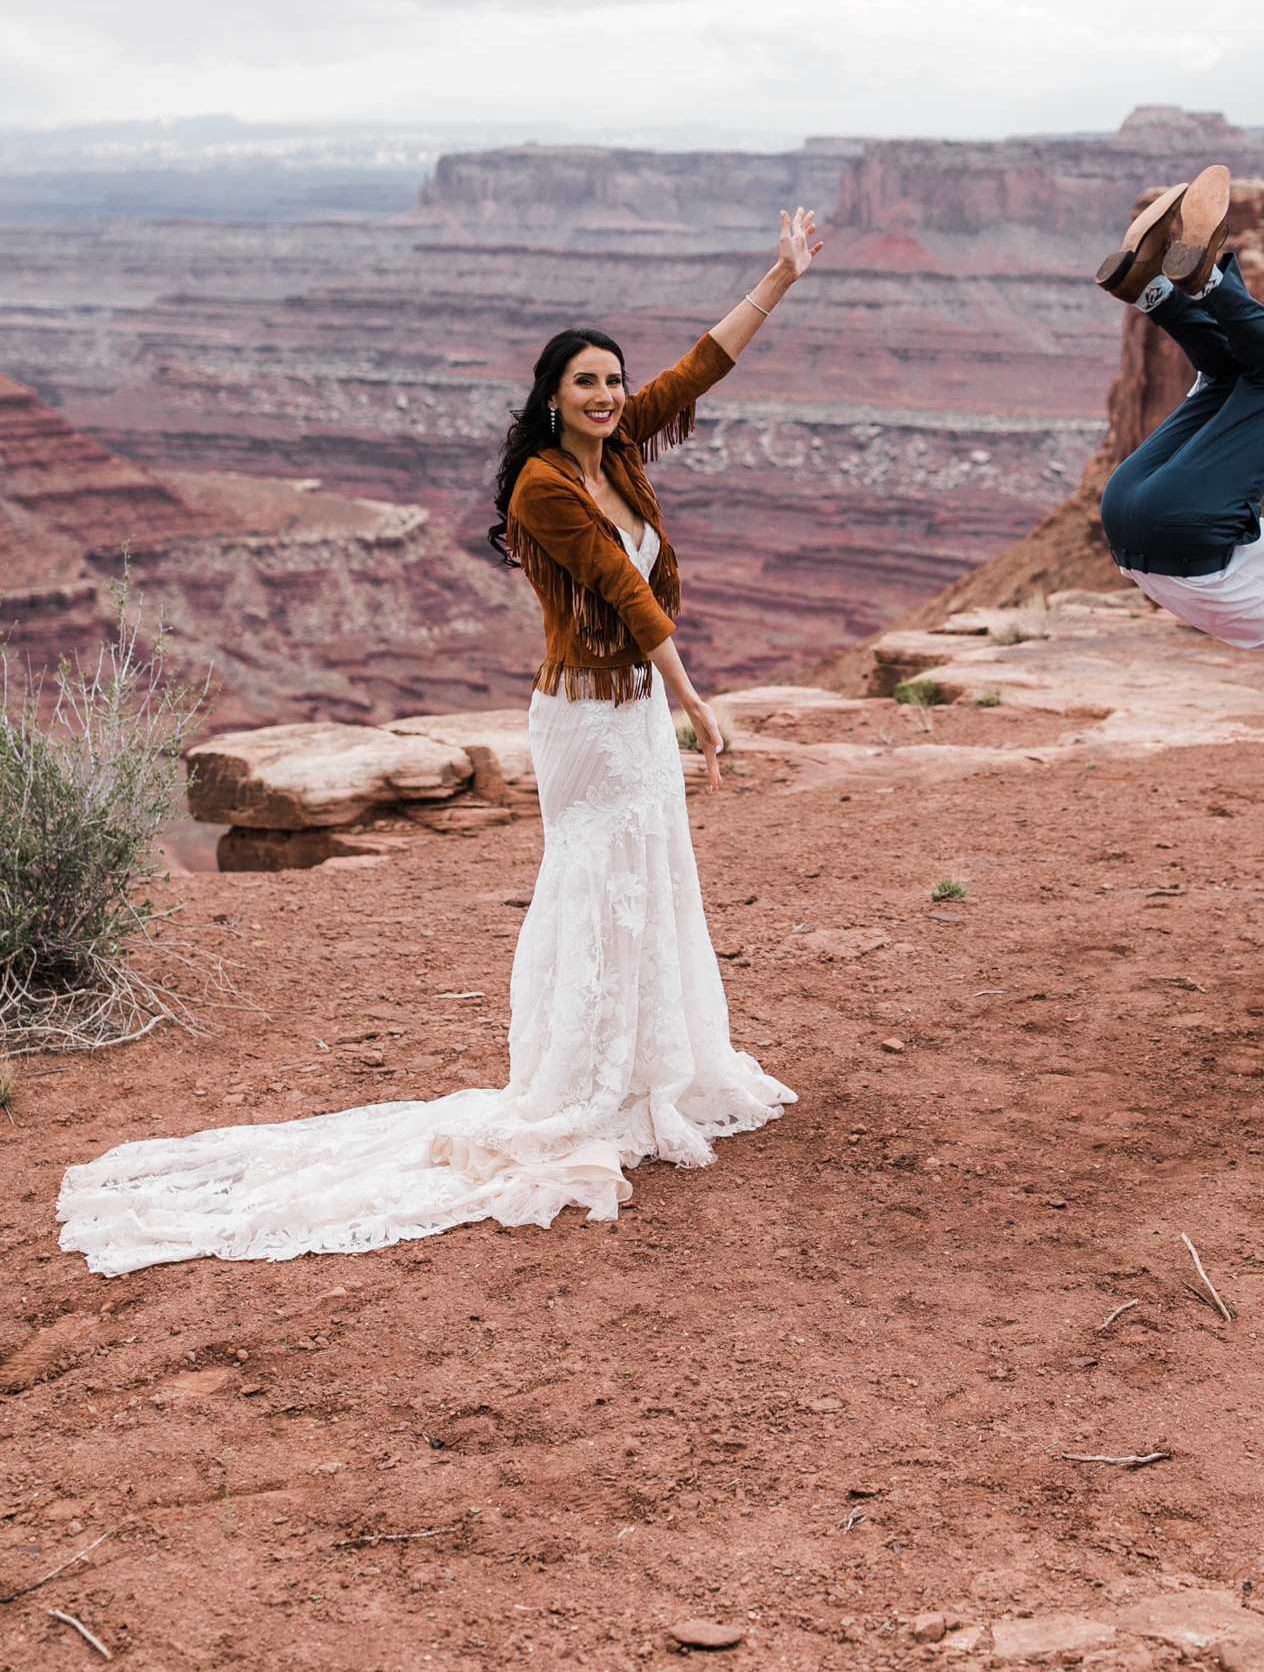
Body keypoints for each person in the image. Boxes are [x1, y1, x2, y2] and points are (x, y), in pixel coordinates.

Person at [58, 210, 822, 1276]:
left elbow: (699, 368)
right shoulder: (543, 486)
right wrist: (699, 701)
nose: (606, 394)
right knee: (593, 875)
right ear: (549, 399)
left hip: (634, 709)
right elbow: (621, 591)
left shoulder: (621, 445)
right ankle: (576, 1083)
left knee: (651, 870)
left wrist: (780, 274)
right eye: (584, 383)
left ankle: (655, 1063)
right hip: (589, 716)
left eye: (612, 380)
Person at [1096, 167, 1264, 718]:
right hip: (1124, 520)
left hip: (1183, 525)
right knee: (1226, 378)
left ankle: (1205, 279)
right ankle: (1147, 286)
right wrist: (1214, 393)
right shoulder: (1251, 634)